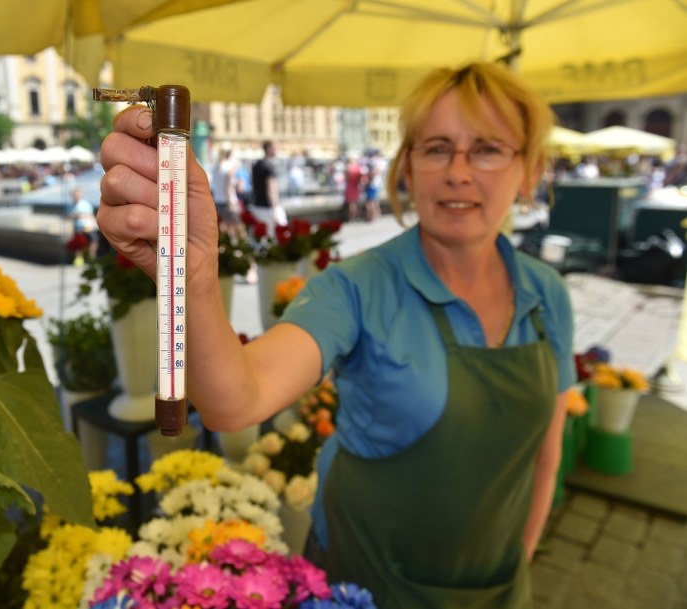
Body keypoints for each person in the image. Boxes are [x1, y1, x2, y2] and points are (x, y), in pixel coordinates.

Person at [95, 61, 574, 605]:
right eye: (437, 147)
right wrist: (193, 277)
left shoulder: (546, 294)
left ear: (530, 170)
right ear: (408, 169)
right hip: (364, 583)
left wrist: (522, 561)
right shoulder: (356, 286)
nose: (458, 172)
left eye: (487, 148)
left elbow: (545, 453)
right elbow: (237, 398)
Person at [249, 140, 286, 234]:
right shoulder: (269, 166)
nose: (277, 150)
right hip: (268, 208)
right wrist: (275, 210)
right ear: (269, 149)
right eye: (275, 147)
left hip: (257, 205)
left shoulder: (257, 164)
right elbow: (271, 190)